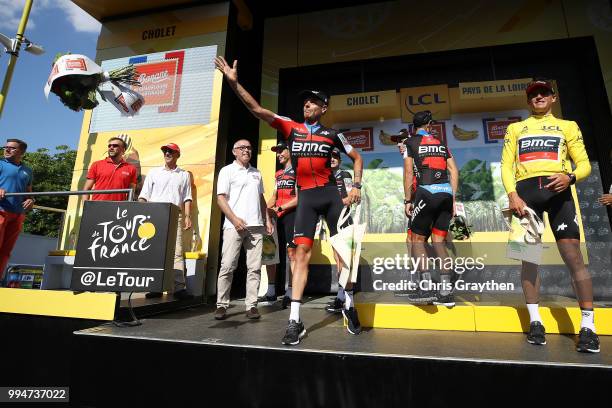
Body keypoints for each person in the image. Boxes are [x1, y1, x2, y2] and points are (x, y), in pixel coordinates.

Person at [215, 56, 363, 345]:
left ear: (323, 108)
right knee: (300, 257)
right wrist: (234, 84)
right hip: (306, 198)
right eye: (304, 102)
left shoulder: (334, 135)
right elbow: (256, 109)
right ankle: (295, 320)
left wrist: (356, 185)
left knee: (343, 254)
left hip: (332, 198)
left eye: (312, 102)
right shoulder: (290, 128)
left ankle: (349, 304)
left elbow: (357, 157)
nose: (306, 105)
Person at [501, 78, 599, 353]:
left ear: (553, 97)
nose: (539, 97)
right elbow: (506, 166)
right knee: (528, 260)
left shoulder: (568, 126)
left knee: (573, 257)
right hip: (525, 197)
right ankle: (535, 321)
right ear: (528, 100)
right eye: (534, 94)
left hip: (560, 195)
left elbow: (584, 165)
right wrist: (512, 195)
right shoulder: (515, 128)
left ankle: (588, 326)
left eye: (544, 93)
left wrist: (570, 177)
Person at [403, 111, 458, 306]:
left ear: (414, 126)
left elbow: (409, 173)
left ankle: (425, 288)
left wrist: (407, 200)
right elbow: (454, 170)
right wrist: (452, 199)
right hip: (445, 195)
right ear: (429, 125)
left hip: (426, 193)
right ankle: (446, 292)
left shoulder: (410, 143)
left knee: (417, 239)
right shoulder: (441, 144)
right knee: (439, 242)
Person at [215, 139, 274, 321]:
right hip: (234, 226)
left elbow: (261, 198)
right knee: (227, 266)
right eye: (242, 148)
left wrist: (267, 218)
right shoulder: (227, 171)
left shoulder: (256, 173)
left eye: (249, 147)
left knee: (255, 268)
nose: (246, 150)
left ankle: (251, 305)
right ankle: (222, 305)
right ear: (234, 152)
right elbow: (220, 199)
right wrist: (234, 219)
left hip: (256, 227)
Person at [138, 143, 193, 300]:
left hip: (176, 214)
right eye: (165, 151)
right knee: (155, 251)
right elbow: (144, 196)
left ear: (177, 155)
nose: (167, 153)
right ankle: (155, 286)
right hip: (154, 216)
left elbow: (187, 197)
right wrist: (141, 216)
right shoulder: (154, 172)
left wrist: (188, 217)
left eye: (171, 151)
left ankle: (179, 288)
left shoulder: (184, 175)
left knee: (176, 251)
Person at [259, 142, 298, 309]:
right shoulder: (279, 174)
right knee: (270, 252)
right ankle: (271, 291)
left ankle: (290, 293)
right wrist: (265, 211)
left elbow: (300, 197)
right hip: (276, 217)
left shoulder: (298, 171)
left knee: (292, 253)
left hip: (292, 215)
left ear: (290, 151)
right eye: (276, 152)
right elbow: (274, 196)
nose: (278, 154)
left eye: (281, 150)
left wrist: (280, 208)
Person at [0, 139, 34, 282]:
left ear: (21, 152)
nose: (7, 150)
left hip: (18, 215)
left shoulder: (28, 170)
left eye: (12, 148)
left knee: (6, 251)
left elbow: (29, 193)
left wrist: (31, 200)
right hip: (1, 210)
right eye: (5, 147)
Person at [325, 148, 354, 313]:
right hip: (331, 222)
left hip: (343, 220)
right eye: (330, 157)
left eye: (335, 157)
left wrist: (334, 205)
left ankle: (344, 298)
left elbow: (350, 197)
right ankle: (341, 296)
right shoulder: (326, 177)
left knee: (343, 261)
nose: (332, 159)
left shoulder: (345, 175)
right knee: (337, 261)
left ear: (340, 160)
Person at [84, 136, 137, 201]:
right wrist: (85, 207)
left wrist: (128, 207)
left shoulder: (131, 168)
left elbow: (131, 192)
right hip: (97, 206)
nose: (111, 148)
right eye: (109, 146)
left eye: (115, 146)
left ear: (123, 150)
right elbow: (87, 188)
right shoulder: (96, 165)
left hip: (119, 208)